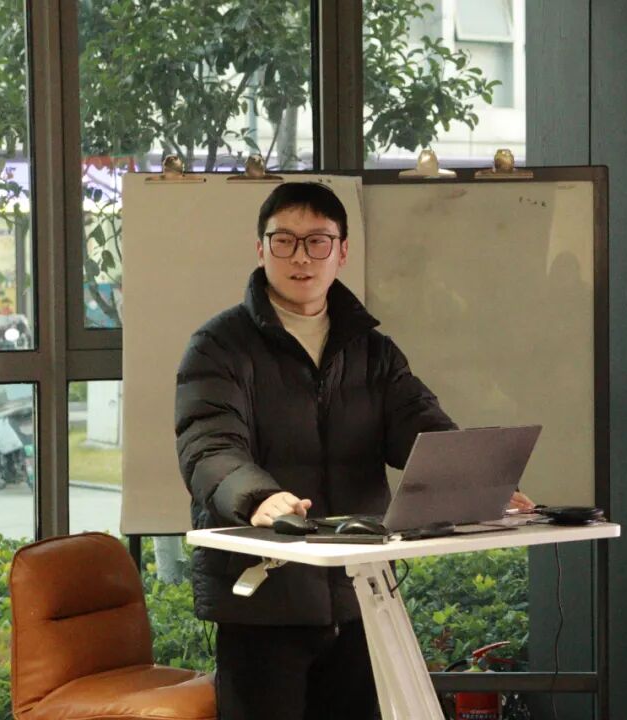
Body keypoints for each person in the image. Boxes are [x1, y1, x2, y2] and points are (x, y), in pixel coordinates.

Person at [175, 182, 533, 719]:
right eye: (284, 241)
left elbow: (422, 427)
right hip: (264, 598)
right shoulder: (218, 346)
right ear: (260, 249)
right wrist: (257, 497)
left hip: (359, 591)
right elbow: (207, 443)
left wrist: (482, 483)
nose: (301, 257)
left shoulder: (373, 352)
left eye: (318, 241)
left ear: (341, 251)